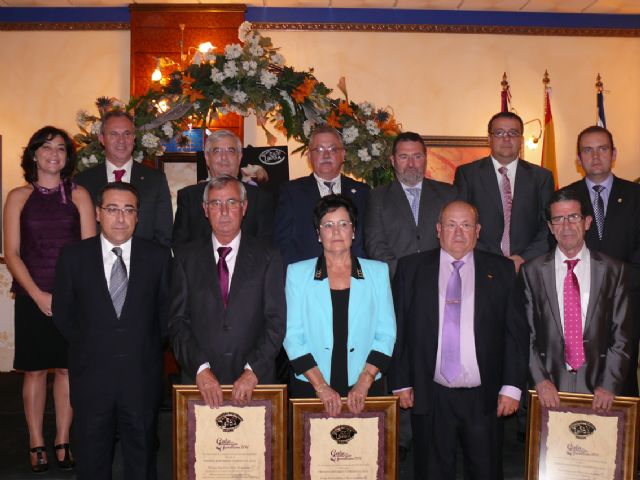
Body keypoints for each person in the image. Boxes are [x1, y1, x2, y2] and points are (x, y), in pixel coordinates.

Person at [389, 200, 528, 479]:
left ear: (478, 231)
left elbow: (516, 334)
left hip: (484, 395)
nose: (458, 233)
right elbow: (398, 330)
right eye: (451, 225)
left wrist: (512, 387)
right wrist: (400, 382)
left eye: (466, 225)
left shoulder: (501, 270)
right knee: (432, 471)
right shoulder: (410, 269)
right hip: (431, 393)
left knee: (485, 470)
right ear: (438, 229)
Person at [52, 182, 171, 479]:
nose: (120, 218)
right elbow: (64, 313)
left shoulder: (158, 257)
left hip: (140, 375)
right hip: (91, 376)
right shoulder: (73, 257)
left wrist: (141, 349)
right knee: (92, 457)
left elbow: (167, 314)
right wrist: (93, 347)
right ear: (97, 213)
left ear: (138, 216)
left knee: (142, 456)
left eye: (128, 210)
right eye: (112, 209)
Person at [3, 126, 95, 473]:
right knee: (35, 372)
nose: (53, 153)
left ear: (67, 157)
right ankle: (35, 442)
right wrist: (39, 294)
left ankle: (62, 440)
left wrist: (72, 297)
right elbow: (11, 253)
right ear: (33, 154)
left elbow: (89, 253)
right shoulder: (18, 197)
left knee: (68, 371)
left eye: (60, 148)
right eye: (46, 147)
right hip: (31, 295)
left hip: (73, 300)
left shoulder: (80, 195)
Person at [169, 175, 286, 407]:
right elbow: (177, 322)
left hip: (256, 381)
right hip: (198, 382)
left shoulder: (269, 256)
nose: (223, 211)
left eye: (231, 202)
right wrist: (200, 369)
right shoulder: (185, 258)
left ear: (244, 207)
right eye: (215, 203)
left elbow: (276, 321)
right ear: (205, 209)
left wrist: (253, 371)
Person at [520, 189, 632, 410]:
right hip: (548, 391)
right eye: (558, 219)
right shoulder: (531, 271)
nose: (566, 225)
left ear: (587, 222)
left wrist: (609, 384)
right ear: (551, 228)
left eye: (573, 217)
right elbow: (526, 335)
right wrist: (540, 381)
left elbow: (622, 336)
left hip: (600, 392)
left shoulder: (614, 270)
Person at [284, 195, 396, 415]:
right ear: (318, 234)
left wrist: (365, 381)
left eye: (344, 224)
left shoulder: (378, 272)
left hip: (366, 387)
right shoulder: (297, 274)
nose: (336, 231)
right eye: (328, 225)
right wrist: (321, 387)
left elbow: (386, 333)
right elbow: (292, 336)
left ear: (354, 231)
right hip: (312, 387)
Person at [562, 125, 640, 395]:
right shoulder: (565, 197)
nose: (595, 156)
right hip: (575, 306)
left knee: (621, 383)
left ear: (614, 153)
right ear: (578, 158)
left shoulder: (636, 196)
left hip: (626, 306)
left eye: (602, 149)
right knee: (579, 385)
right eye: (587, 150)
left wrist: (614, 287)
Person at [454, 111, 554, 272]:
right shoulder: (468, 175)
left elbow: (548, 224)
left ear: (521, 140)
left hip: (529, 267)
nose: (506, 138)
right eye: (499, 133)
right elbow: (462, 223)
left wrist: (524, 258)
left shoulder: (541, 177)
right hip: (481, 265)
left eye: (513, 133)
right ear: (489, 139)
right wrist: (494, 260)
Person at [274, 124, 370, 266]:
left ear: (343, 155)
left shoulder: (363, 192)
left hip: (356, 276)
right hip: (308, 278)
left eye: (333, 149)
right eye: (319, 150)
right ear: (309, 156)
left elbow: (369, 241)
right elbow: (282, 244)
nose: (326, 155)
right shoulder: (291, 193)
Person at [75, 110, 173, 247]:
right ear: (102, 139)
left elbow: (164, 234)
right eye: (113, 134)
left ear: (134, 138)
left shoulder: (155, 180)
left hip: (144, 263)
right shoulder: (83, 181)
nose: (121, 140)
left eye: (127, 134)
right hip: (95, 264)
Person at [365, 131, 456, 277]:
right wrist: (404, 273)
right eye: (404, 157)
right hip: (398, 282)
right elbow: (375, 245)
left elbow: (458, 238)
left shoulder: (448, 194)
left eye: (417, 156)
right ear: (393, 161)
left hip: (442, 279)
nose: (411, 164)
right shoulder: (377, 197)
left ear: (425, 159)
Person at [172, 129, 274, 247]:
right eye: (217, 151)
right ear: (207, 157)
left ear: (239, 156)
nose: (224, 158)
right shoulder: (189, 196)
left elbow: (266, 247)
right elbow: (180, 247)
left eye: (230, 151)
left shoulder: (260, 198)